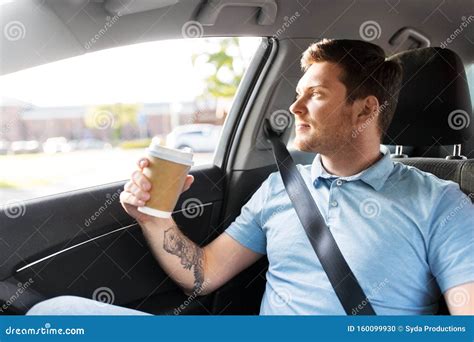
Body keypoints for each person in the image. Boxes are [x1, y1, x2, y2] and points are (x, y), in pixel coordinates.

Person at [28, 39, 474, 316]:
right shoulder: (281, 188)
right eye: (297, 95)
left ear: (366, 109)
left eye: (314, 95)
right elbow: (202, 275)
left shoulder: (441, 202)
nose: (295, 109)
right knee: (52, 315)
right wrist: (153, 217)